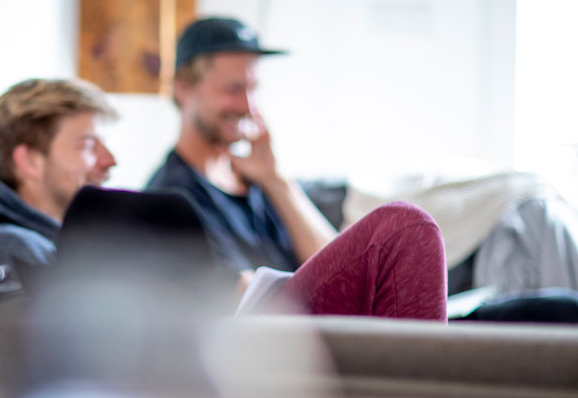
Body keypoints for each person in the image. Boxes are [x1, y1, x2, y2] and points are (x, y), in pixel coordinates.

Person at [146, 16, 448, 319]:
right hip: (278, 340)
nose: (248, 107)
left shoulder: (257, 179)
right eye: (234, 89)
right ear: (183, 87)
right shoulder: (170, 198)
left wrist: (277, 182)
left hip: (322, 326)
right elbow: (244, 300)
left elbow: (342, 272)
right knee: (403, 224)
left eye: (253, 88)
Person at [0, 78, 117, 266]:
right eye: (88, 145)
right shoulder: (12, 249)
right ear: (29, 161)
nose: (110, 161)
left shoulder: (79, 239)